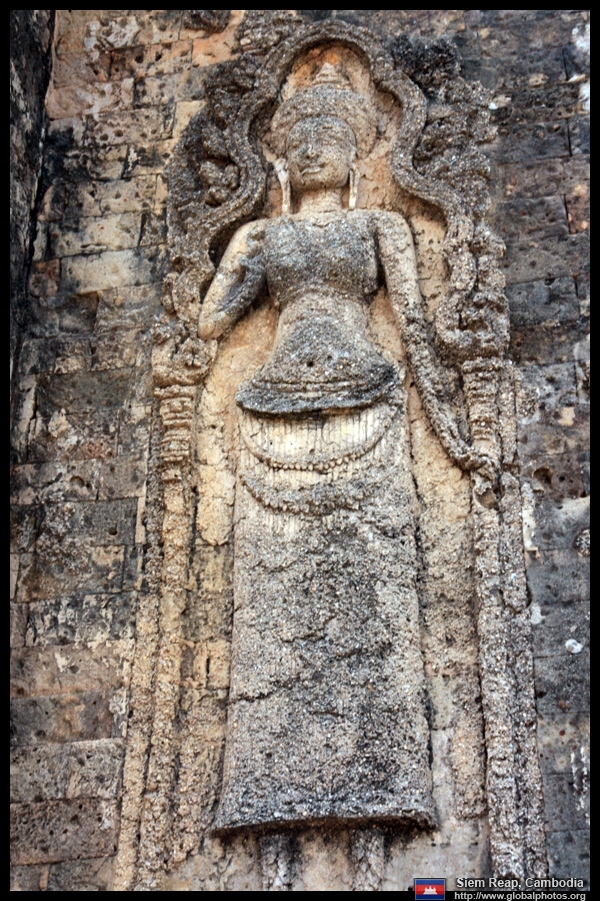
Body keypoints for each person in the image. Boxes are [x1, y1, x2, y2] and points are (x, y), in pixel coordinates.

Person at [202, 63, 436, 835]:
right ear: (278, 156)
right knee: (272, 609)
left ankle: (386, 788)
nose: (312, 150)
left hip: (367, 400)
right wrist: (236, 260)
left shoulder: (382, 226)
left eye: (328, 136)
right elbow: (211, 323)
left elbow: (418, 329)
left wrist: (451, 420)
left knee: (373, 594)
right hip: (271, 411)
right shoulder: (264, 235)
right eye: (299, 139)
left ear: (356, 152)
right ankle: (262, 792)